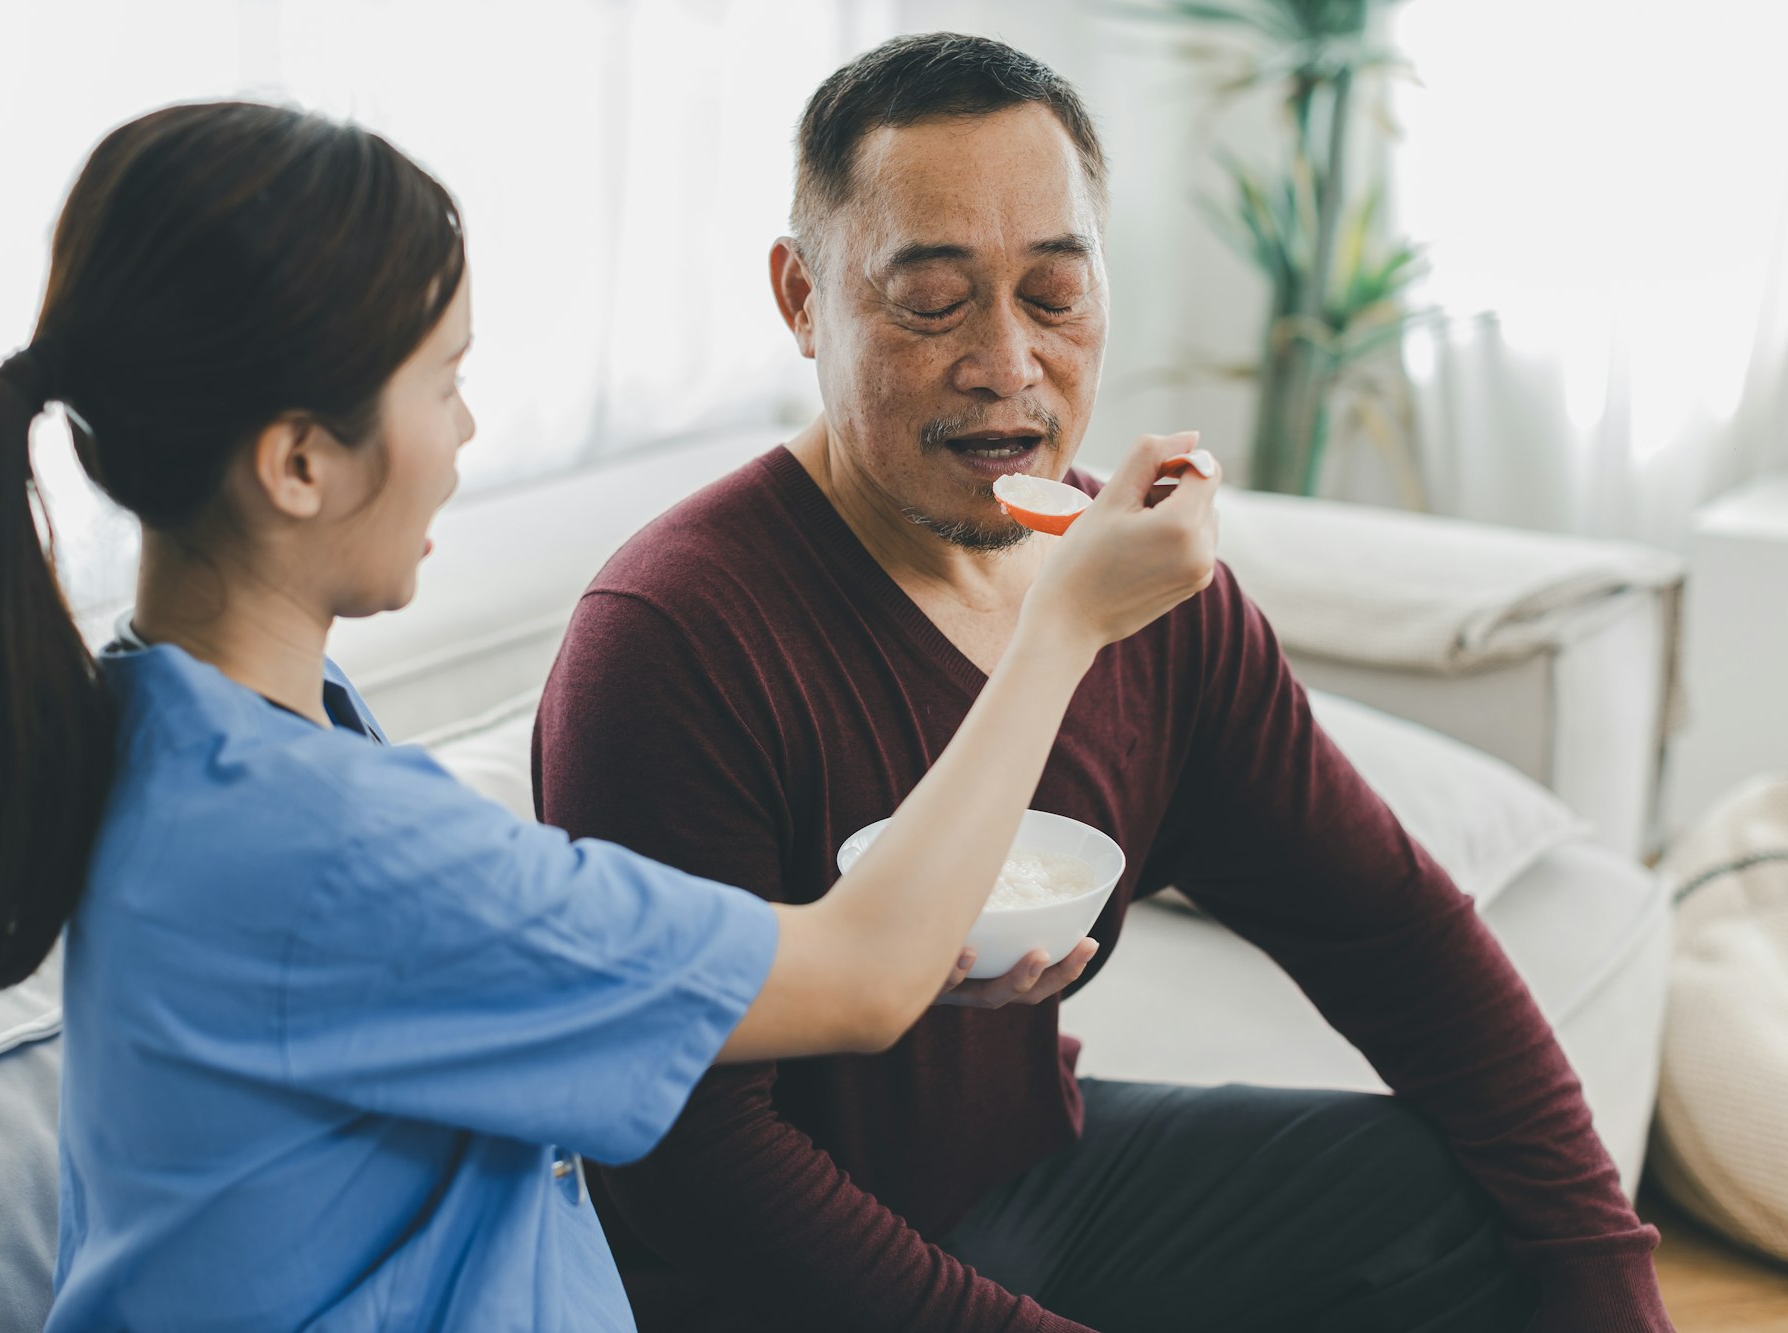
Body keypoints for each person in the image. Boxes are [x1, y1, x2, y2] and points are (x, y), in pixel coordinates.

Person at [0, 101, 1220, 1331]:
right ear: (300, 461)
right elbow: (861, 978)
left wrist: (928, 938)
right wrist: (1067, 623)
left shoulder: (177, 730)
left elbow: (524, 994)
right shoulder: (333, 850)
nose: (468, 431)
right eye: (445, 382)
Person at [533, 33, 1676, 1333]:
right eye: (933, 298)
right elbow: (689, 1166)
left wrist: (1608, 1264)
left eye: (1054, 294)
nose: (1008, 363)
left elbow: (1394, 935)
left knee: (1482, 1202)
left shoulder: (1138, 585)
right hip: (756, 1288)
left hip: (1030, 1181)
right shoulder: (673, 631)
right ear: (803, 298)